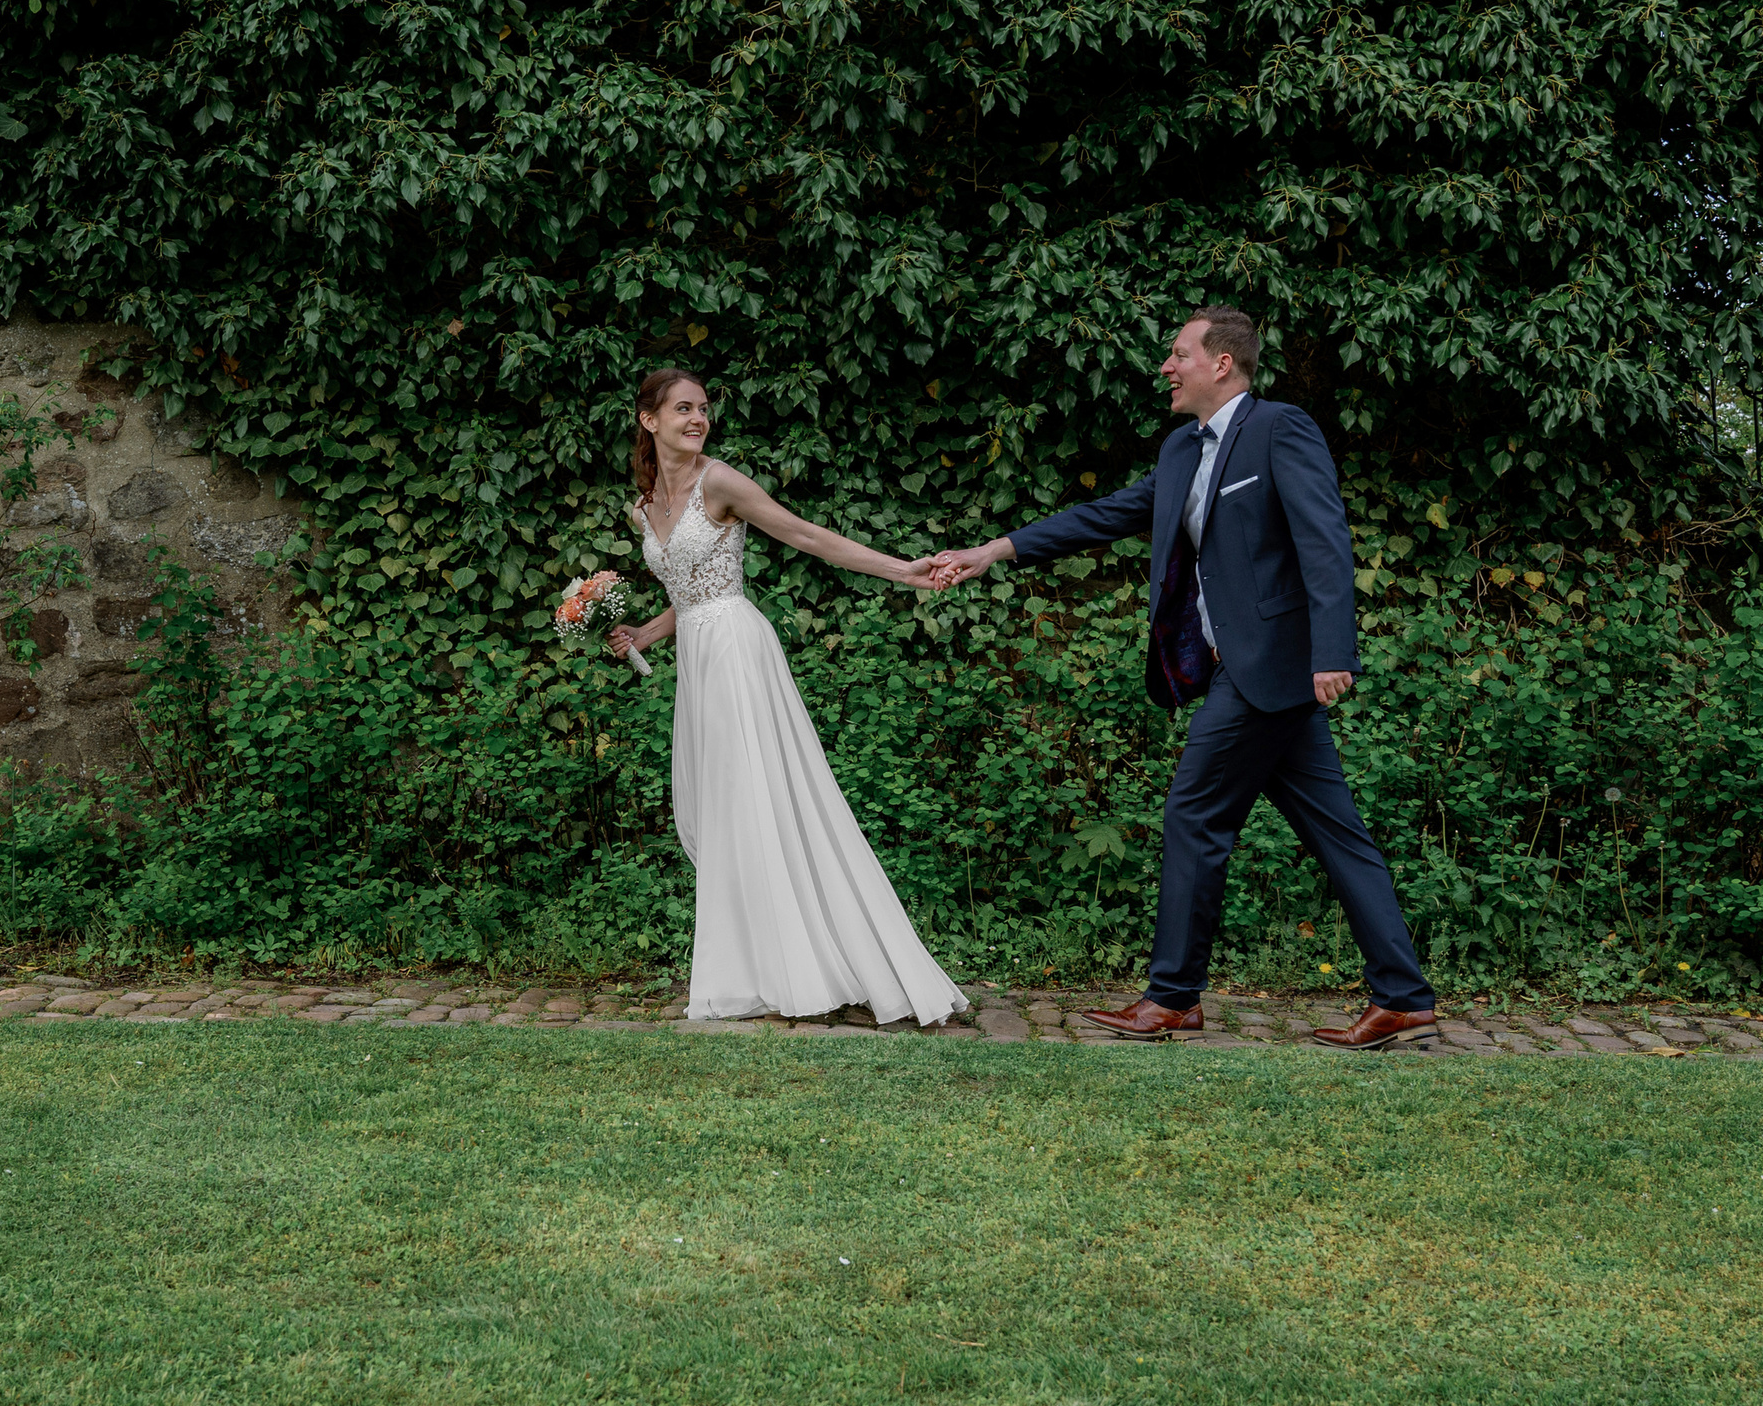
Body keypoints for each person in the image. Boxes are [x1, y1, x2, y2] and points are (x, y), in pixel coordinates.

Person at [928, 306, 1438, 1051]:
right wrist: (993, 550)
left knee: (1194, 813)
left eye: (1178, 354)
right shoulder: (1179, 450)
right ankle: (1404, 998)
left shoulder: (1279, 429)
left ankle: (1171, 997)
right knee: (1339, 836)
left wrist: (1335, 649)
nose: (1166, 368)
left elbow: (1323, 537)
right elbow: (1109, 513)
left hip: (1270, 665)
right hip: (1251, 678)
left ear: (1221, 363)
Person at [605, 367, 965, 1027]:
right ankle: (753, 969)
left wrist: (900, 569)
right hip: (697, 660)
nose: (697, 418)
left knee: (759, 802)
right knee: (720, 813)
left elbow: (806, 535)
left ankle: (804, 970)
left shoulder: (721, 481)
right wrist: (643, 632)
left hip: (739, 652)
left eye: (704, 408)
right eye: (682, 408)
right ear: (649, 420)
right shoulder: (645, 503)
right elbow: (686, 597)